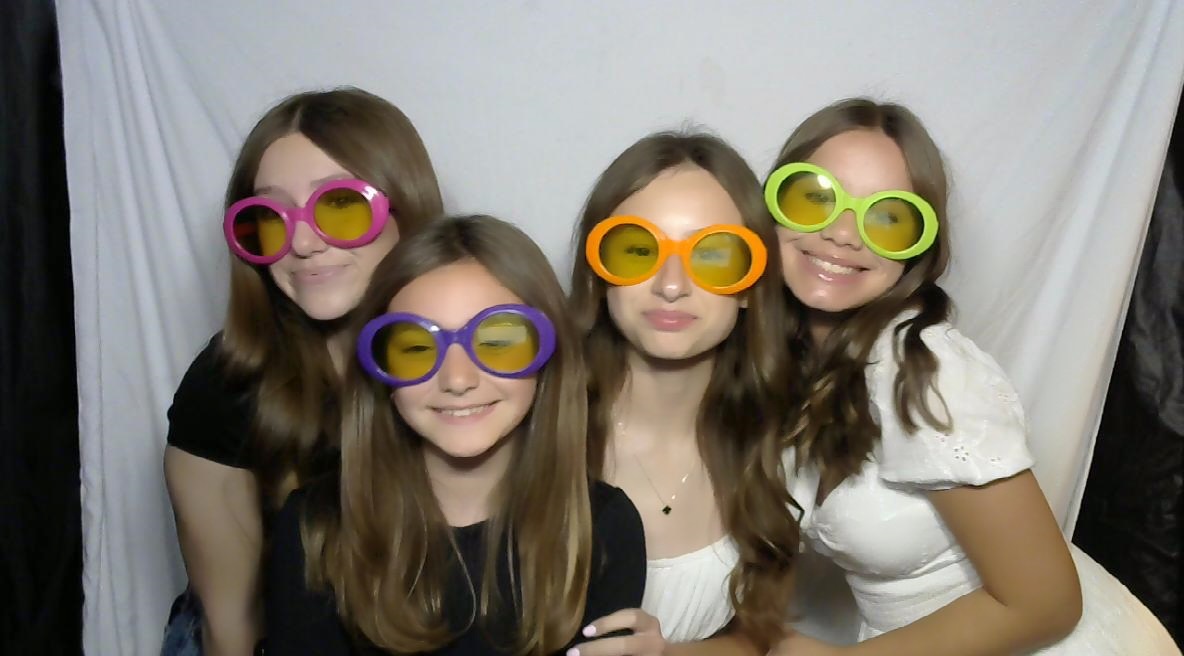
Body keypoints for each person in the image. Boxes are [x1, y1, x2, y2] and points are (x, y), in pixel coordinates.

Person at [766, 97, 1179, 655]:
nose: (843, 233)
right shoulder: (789, 364)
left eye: (888, 218)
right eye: (814, 197)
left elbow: (1047, 605)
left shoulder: (928, 374)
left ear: (918, 251)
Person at [265, 214, 647, 654]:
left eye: (498, 342)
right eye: (416, 348)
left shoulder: (604, 529)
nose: (458, 379)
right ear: (380, 370)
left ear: (549, 357)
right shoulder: (314, 529)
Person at [161, 87, 443, 655]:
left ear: (406, 209)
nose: (305, 242)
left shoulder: (473, 361)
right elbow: (231, 629)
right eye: (271, 216)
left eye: (340, 206)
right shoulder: (227, 386)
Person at [565, 131, 799, 656]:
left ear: (751, 286)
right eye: (637, 250)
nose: (671, 285)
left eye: (712, 255)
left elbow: (756, 637)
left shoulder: (776, 441)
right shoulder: (532, 429)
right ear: (598, 274)